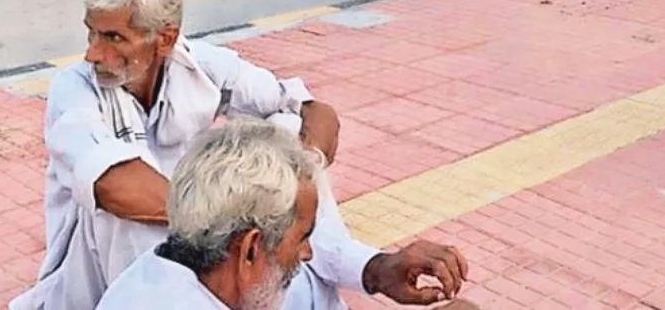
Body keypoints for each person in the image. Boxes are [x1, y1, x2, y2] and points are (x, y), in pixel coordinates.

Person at [13, 0, 461, 310]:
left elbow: (314, 112)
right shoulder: (73, 89)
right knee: (122, 208)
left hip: (216, 250)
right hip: (112, 273)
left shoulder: (201, 65)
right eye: (92, 33)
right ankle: (274, 244)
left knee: (285, 136)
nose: (94, 53)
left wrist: (294, 190)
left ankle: (364, 269)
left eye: (113, 38)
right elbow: (115, 186)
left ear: (165, 39)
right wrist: (252, 216)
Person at [99, 119, 477, 310]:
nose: (308, 254)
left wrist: (375, 268)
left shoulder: (197, 268)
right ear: (250, 249)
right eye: (302, 239)